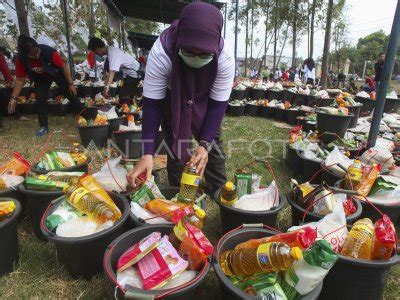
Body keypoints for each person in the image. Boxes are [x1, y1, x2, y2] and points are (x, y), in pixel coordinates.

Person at [126, 2, 234, 196]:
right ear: (180, 42)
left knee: (212, 144)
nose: (197, 58)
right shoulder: (162, 51)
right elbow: (152, 105)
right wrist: (147, 153)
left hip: (204, 96)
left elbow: (217, 106)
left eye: (204, 55)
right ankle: (179, 192)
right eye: (189, 52)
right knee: (175, 138)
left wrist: (204, 144)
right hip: (172, 94)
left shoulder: (224, 57)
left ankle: (220, 192)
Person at [8, 35, 81, 136]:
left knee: (70, 93)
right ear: (25, 54)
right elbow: (20, 80)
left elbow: (63, 67)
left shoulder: (49, 52)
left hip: (57, 73)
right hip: (41, 78)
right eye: (32, 54)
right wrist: (14, 98)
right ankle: (43, 126)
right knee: (40, 98)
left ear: (36, 46)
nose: (36, 55)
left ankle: (86, 116)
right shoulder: (21, 59)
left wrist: (70, 84)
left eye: (36, 51)